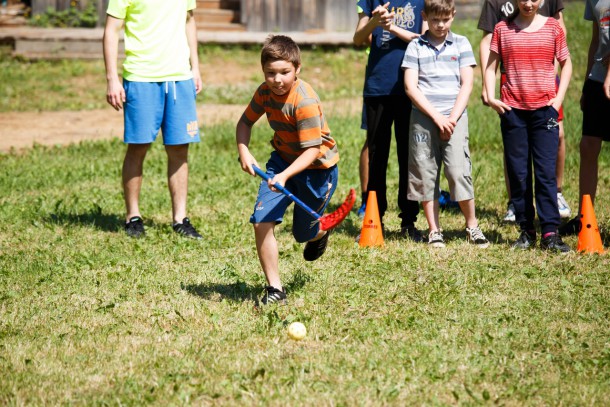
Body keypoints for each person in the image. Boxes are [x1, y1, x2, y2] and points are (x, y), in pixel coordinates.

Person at [236, 35, 340, 305]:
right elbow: (244, 123)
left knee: (302, 234)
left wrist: (285, 176)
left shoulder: (303, 102)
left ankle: (319, 231)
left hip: (316, 170)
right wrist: (244, 150)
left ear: (297, 69)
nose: (277, 80)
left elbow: (311, 151)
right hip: (281, 162)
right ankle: (275, 289)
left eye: (284, 72)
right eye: (270, 73)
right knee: (261, 222)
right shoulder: (264, 93)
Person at [103, 0, 203, 239]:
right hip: (141, 77)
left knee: (180, 148)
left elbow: (189, 22)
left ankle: (180, 219)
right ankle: (133, 216)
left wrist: (195, 68)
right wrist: (112, 79)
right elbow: (111, 30)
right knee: (138, 147)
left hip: (179, 77)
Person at [484, 0, 572, 252]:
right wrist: (491, 97)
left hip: (546, 112)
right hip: (513, 112)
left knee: (545, 173)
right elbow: (490, 66)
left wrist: (558, 100)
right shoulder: (503, 29)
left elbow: (566, 63)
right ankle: (526, 230)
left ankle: (550, 232)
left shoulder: (553, 27)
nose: (528, 3)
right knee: (519, 174)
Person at [403, 0, 489, 248]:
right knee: (425, 171)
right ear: (425, 17)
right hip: (423, 118)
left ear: (453, 15)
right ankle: (434, 230)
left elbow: (467, 84)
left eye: (445, 19)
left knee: (457, 170)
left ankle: (472, 225)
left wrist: (451, 117)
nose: (440, 25)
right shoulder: (415, 46)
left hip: (455, 117)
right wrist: (436, 117)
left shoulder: (461, 43)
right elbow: (411, 86)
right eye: (434, 20)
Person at [354, 0, 426, 241]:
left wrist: (391, 27)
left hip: (411, 87)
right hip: (378, 86)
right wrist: (375, 21)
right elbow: (357, 38)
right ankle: (375, 219)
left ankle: (409, 220)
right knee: (377, 155)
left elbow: (425, 38)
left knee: (409, 154)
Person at [559, 0, 610, 236]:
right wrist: (588, 84)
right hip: (598, 79)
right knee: (588, 146)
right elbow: (595, 39)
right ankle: (585, 218)